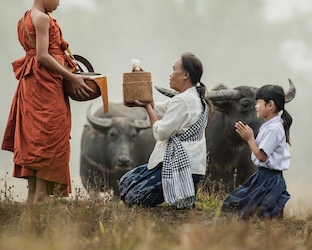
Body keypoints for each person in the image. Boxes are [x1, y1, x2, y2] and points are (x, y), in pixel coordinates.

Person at [2, 0, 94, 204]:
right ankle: (42, 196)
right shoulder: (42, 19)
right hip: (44, 86)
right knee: (49, 134)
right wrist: (71, 78)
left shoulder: (24, 19)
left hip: (32, 85)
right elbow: (42, 55)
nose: (59, 3)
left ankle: (35, 197)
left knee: (36, 137)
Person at [119, 53, 208, 209]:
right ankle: (181, 194)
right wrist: (143, 84)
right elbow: (161, 108)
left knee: (134, 197)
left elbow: (160, 132)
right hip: (192, 168)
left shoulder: (183, 100)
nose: (171, 74)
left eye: (174, 70)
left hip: (179, 167)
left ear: (186, 75)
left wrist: (147, 108)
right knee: (126, 182)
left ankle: (176, 193)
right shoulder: (195, 98)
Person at [221, 84, 294, 219]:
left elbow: (262, 156)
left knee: (262, 215)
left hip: (269, 180)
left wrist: (249, 139)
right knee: (234, 203)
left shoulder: (273, 129)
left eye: (258, 102)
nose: (256, 106)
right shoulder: (269, 126)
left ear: (270, 105)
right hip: (261, 177)